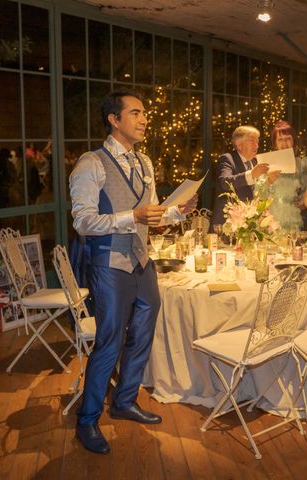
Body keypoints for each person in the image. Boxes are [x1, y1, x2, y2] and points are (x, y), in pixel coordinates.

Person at [69, 89, 197, 454]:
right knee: (109, 342)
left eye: (145, 114)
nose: (144, 120)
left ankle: (124, 401)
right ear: (114, 119)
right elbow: (83, 221)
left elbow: (152, 214)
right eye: (136, 113)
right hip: (110, 265)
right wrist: (134, 217)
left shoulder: (145, 163)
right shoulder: (90, 164)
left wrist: (177, 213)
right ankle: (87, 419)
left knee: (142, 334)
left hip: (143, 261)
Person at [210, 125, 279, 228]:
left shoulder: (255, 162)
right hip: (226, 225)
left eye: (257, 142)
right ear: (239, 145)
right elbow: (225, 182)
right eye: (252, 141)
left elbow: (257, 193)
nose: (256, 145)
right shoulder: (228, 159)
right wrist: (251, 174)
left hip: (249, 225)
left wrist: (269, 181)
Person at [259, 120, 307, 230]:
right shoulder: (267, 163)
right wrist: (268, 181)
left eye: (288, 139)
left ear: (294, 141)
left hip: (293, 221)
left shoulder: (301, 164)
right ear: (275, 143)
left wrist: (303, 202)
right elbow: (258, 195)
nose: (284, 143)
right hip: (269, 222)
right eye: (280, 139)